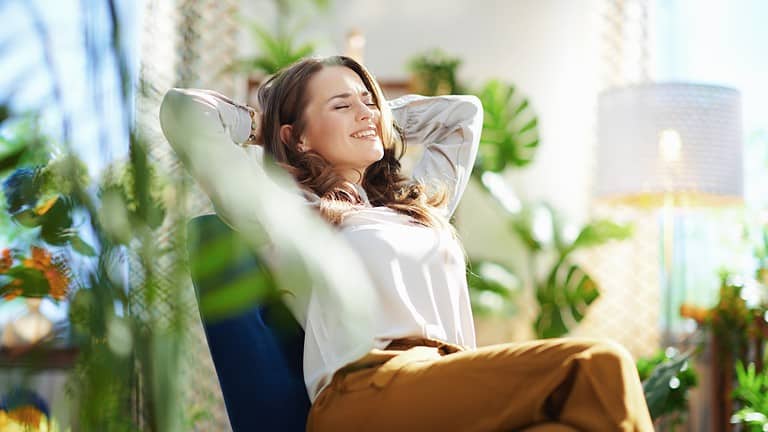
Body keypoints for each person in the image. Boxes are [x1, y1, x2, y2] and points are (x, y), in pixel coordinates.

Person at [160, 55, 654, 432]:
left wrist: (374, 115)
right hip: (364, 392)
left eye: (369, 100)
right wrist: (273, 129)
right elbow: (183, 111)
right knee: (598, 365)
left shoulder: (417, 207)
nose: (366, 112)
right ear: (299, 137)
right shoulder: (286, 214)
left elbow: (464, 115)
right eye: (342, 104)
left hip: (448, 378)